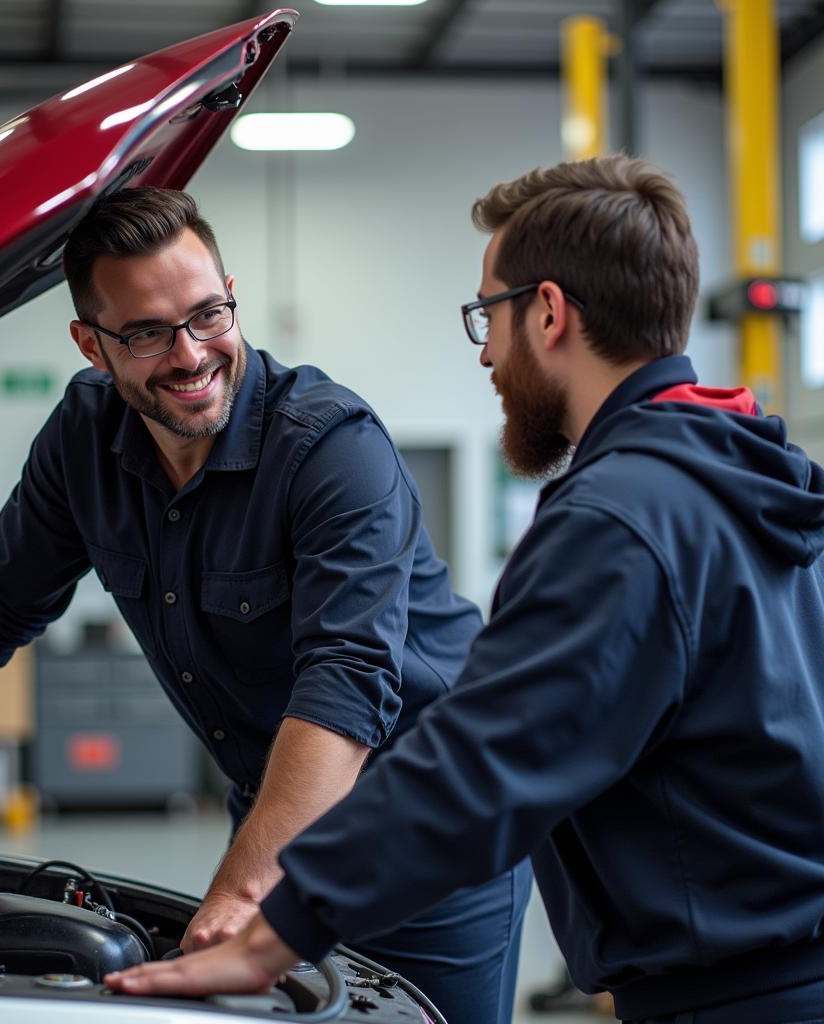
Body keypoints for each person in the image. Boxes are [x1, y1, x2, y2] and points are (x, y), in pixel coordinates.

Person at [106, 155, 824, 1024]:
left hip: (732, 998)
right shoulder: (759, 474)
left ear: (549, 312)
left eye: (489, 312)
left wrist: (274, 934)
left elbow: (480, 767)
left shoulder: (620, 517)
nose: (485, 349)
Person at [0, 188, 530, 1024]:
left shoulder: (333, 450)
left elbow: (347, 680)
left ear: (232, 293)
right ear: (91, 343)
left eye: (208, 314)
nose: (190, 354)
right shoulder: (84, 439)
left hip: (432, 827)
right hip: (278, 809)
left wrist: (243, 890)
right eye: (147, 332)